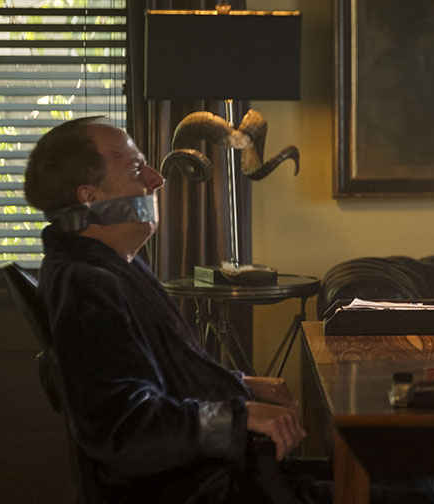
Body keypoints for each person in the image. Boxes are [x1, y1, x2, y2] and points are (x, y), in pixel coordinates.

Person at [24, 117, 312, 503]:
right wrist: (241, 416)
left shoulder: (117, 266)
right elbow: (128, 429)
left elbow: (163, 373)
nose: (157, 180)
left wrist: (243, 384)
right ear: (90, 198)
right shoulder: (85, 285)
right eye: (135, 169)